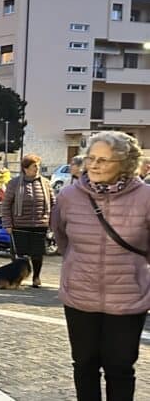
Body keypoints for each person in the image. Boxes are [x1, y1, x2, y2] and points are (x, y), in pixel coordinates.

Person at [51, 131, 150, 401]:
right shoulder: (69, 196)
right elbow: (61, 237)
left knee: (119, 368)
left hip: (128, 297)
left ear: (126, 163)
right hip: (80, 296)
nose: (93, 165)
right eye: (90, 158)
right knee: (84, 365)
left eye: (103, 160)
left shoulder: (146, 198)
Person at [1, 154, 54, 287]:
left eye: (38, 166)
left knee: (37, 254)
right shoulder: (14, 183)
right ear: (25, 168)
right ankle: (16, 278)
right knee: (20, 255)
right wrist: (7, 223)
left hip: (40, 224)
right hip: (20, 225)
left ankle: (36, 277)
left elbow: (54, 204)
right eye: (34, 166)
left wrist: (53, 222)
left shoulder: (46, 183)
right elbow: (6, 205)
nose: (37, 168)